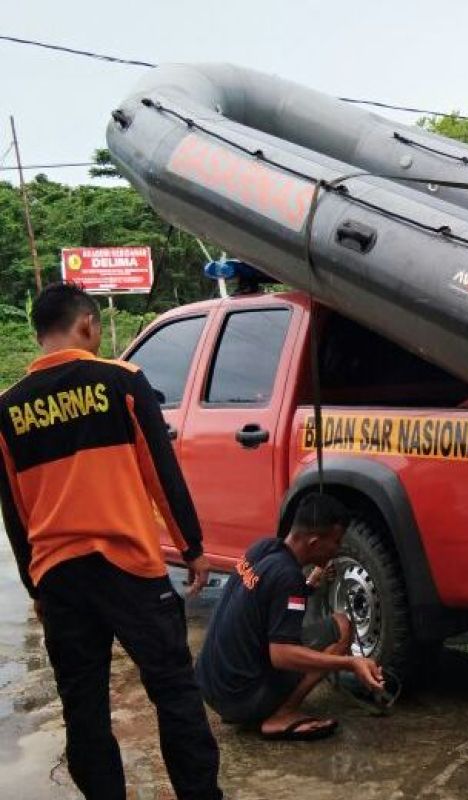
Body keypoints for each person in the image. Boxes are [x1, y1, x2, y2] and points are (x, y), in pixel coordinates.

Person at [0, 282, 222, 800]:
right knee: (173, 692)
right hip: (130, 567)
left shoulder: (8, 410)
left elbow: (14, 510)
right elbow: (161, 473)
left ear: (37, 336)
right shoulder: (120, 381)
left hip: (58, 576)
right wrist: (191, 547)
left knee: (84, 708)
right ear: (88, 325)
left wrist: (35, 586)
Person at [195, 493, 384, 740]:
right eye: (336, 542)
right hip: (240, 699)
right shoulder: (287, 577)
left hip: (210, 685)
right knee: (342, 627)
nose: (338, 549)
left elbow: (266, 599)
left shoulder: (262, 548)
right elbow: (281, 655)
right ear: (314, 542)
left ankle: (260, 704)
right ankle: (281, 715)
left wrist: (310, 584)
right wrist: (350, 663)